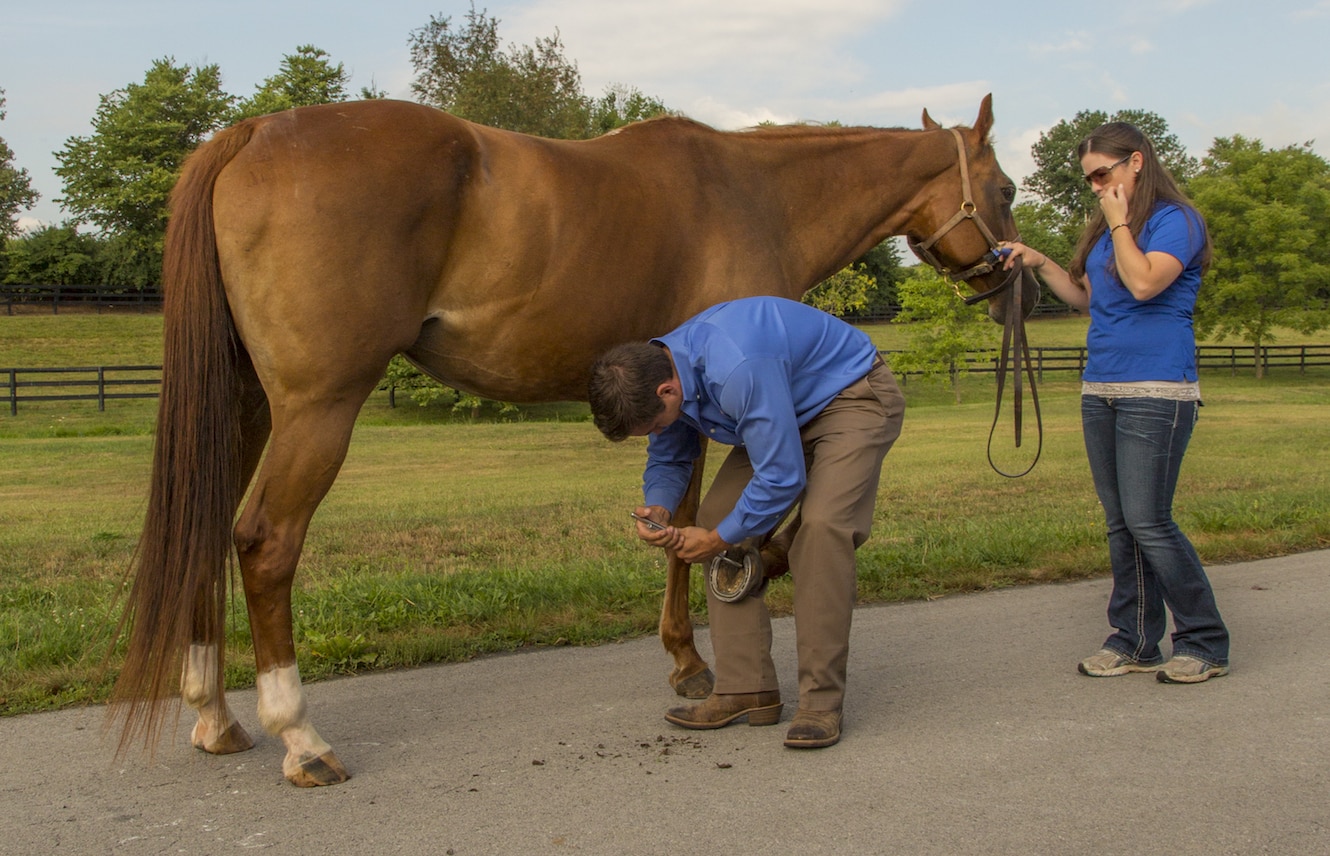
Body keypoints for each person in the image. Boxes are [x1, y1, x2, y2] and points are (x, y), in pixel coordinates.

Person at [588, 296, 905, 748]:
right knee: (718, 516)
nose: (656, 433)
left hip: (852, 398)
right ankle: (746, 687)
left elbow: (781, 475)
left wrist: (717, 540)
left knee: (820, 532)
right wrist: (658, 505)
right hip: (784, 409)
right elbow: (671, 452)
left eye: (653, 424)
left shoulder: (733, 366)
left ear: (666, 391)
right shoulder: (663, 368)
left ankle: (820, 702)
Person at [1003, 122, 1230, 684]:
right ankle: (1133, 640)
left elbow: (1147, 283)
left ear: (1135, 162)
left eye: (1101, 174)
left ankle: (1204, 641)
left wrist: (1119, 221)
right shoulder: (1110, 233)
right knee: (1120, 524)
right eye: (1089, 180)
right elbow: (1089, 300)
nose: (1096, 186)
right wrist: (1040, 261)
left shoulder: (1175, 221)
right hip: (1101, 388)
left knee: (1150, 520)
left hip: (1157, 389)